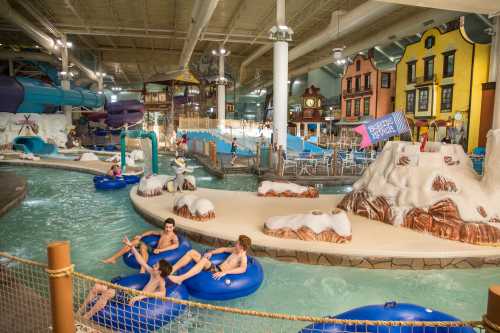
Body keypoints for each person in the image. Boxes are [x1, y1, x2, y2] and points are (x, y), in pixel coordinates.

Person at [79, 236, 173, 320]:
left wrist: (140, 297)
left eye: (156, 266)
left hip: (135, 299)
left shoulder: (161, 282)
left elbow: (162, 293)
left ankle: (86, 317)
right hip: (131, 294)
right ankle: (80, 311)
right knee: (97, 286)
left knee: (109, 292)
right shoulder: (153, 273)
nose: (153, 265)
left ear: (160, 271)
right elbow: (141, 261)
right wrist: (131, 246)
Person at [102, 218, 179, 273]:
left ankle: (142, 270)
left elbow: (176, 245)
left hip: (159, 254)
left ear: (173, 227)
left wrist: (160, 250)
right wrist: (141, 236)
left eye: (170, 227)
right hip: (153, 250)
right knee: (135, 241)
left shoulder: (173, 236)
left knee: (142, 246)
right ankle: (113, 258)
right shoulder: (163, 232)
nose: (168, 229)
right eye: (166, 227)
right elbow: (152, 232)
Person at [169, 235, 252, 285]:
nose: (235, 243)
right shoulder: (235, 250)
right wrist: (211, 253)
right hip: (215, 268)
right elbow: (223, 249)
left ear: (241, 247)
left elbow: (243, 269)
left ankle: (180, 278)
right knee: (192, 252)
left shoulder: (242, 257)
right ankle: (170, 270)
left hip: (217, 272)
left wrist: (225, 272)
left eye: (237, 243)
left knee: (204, 260)